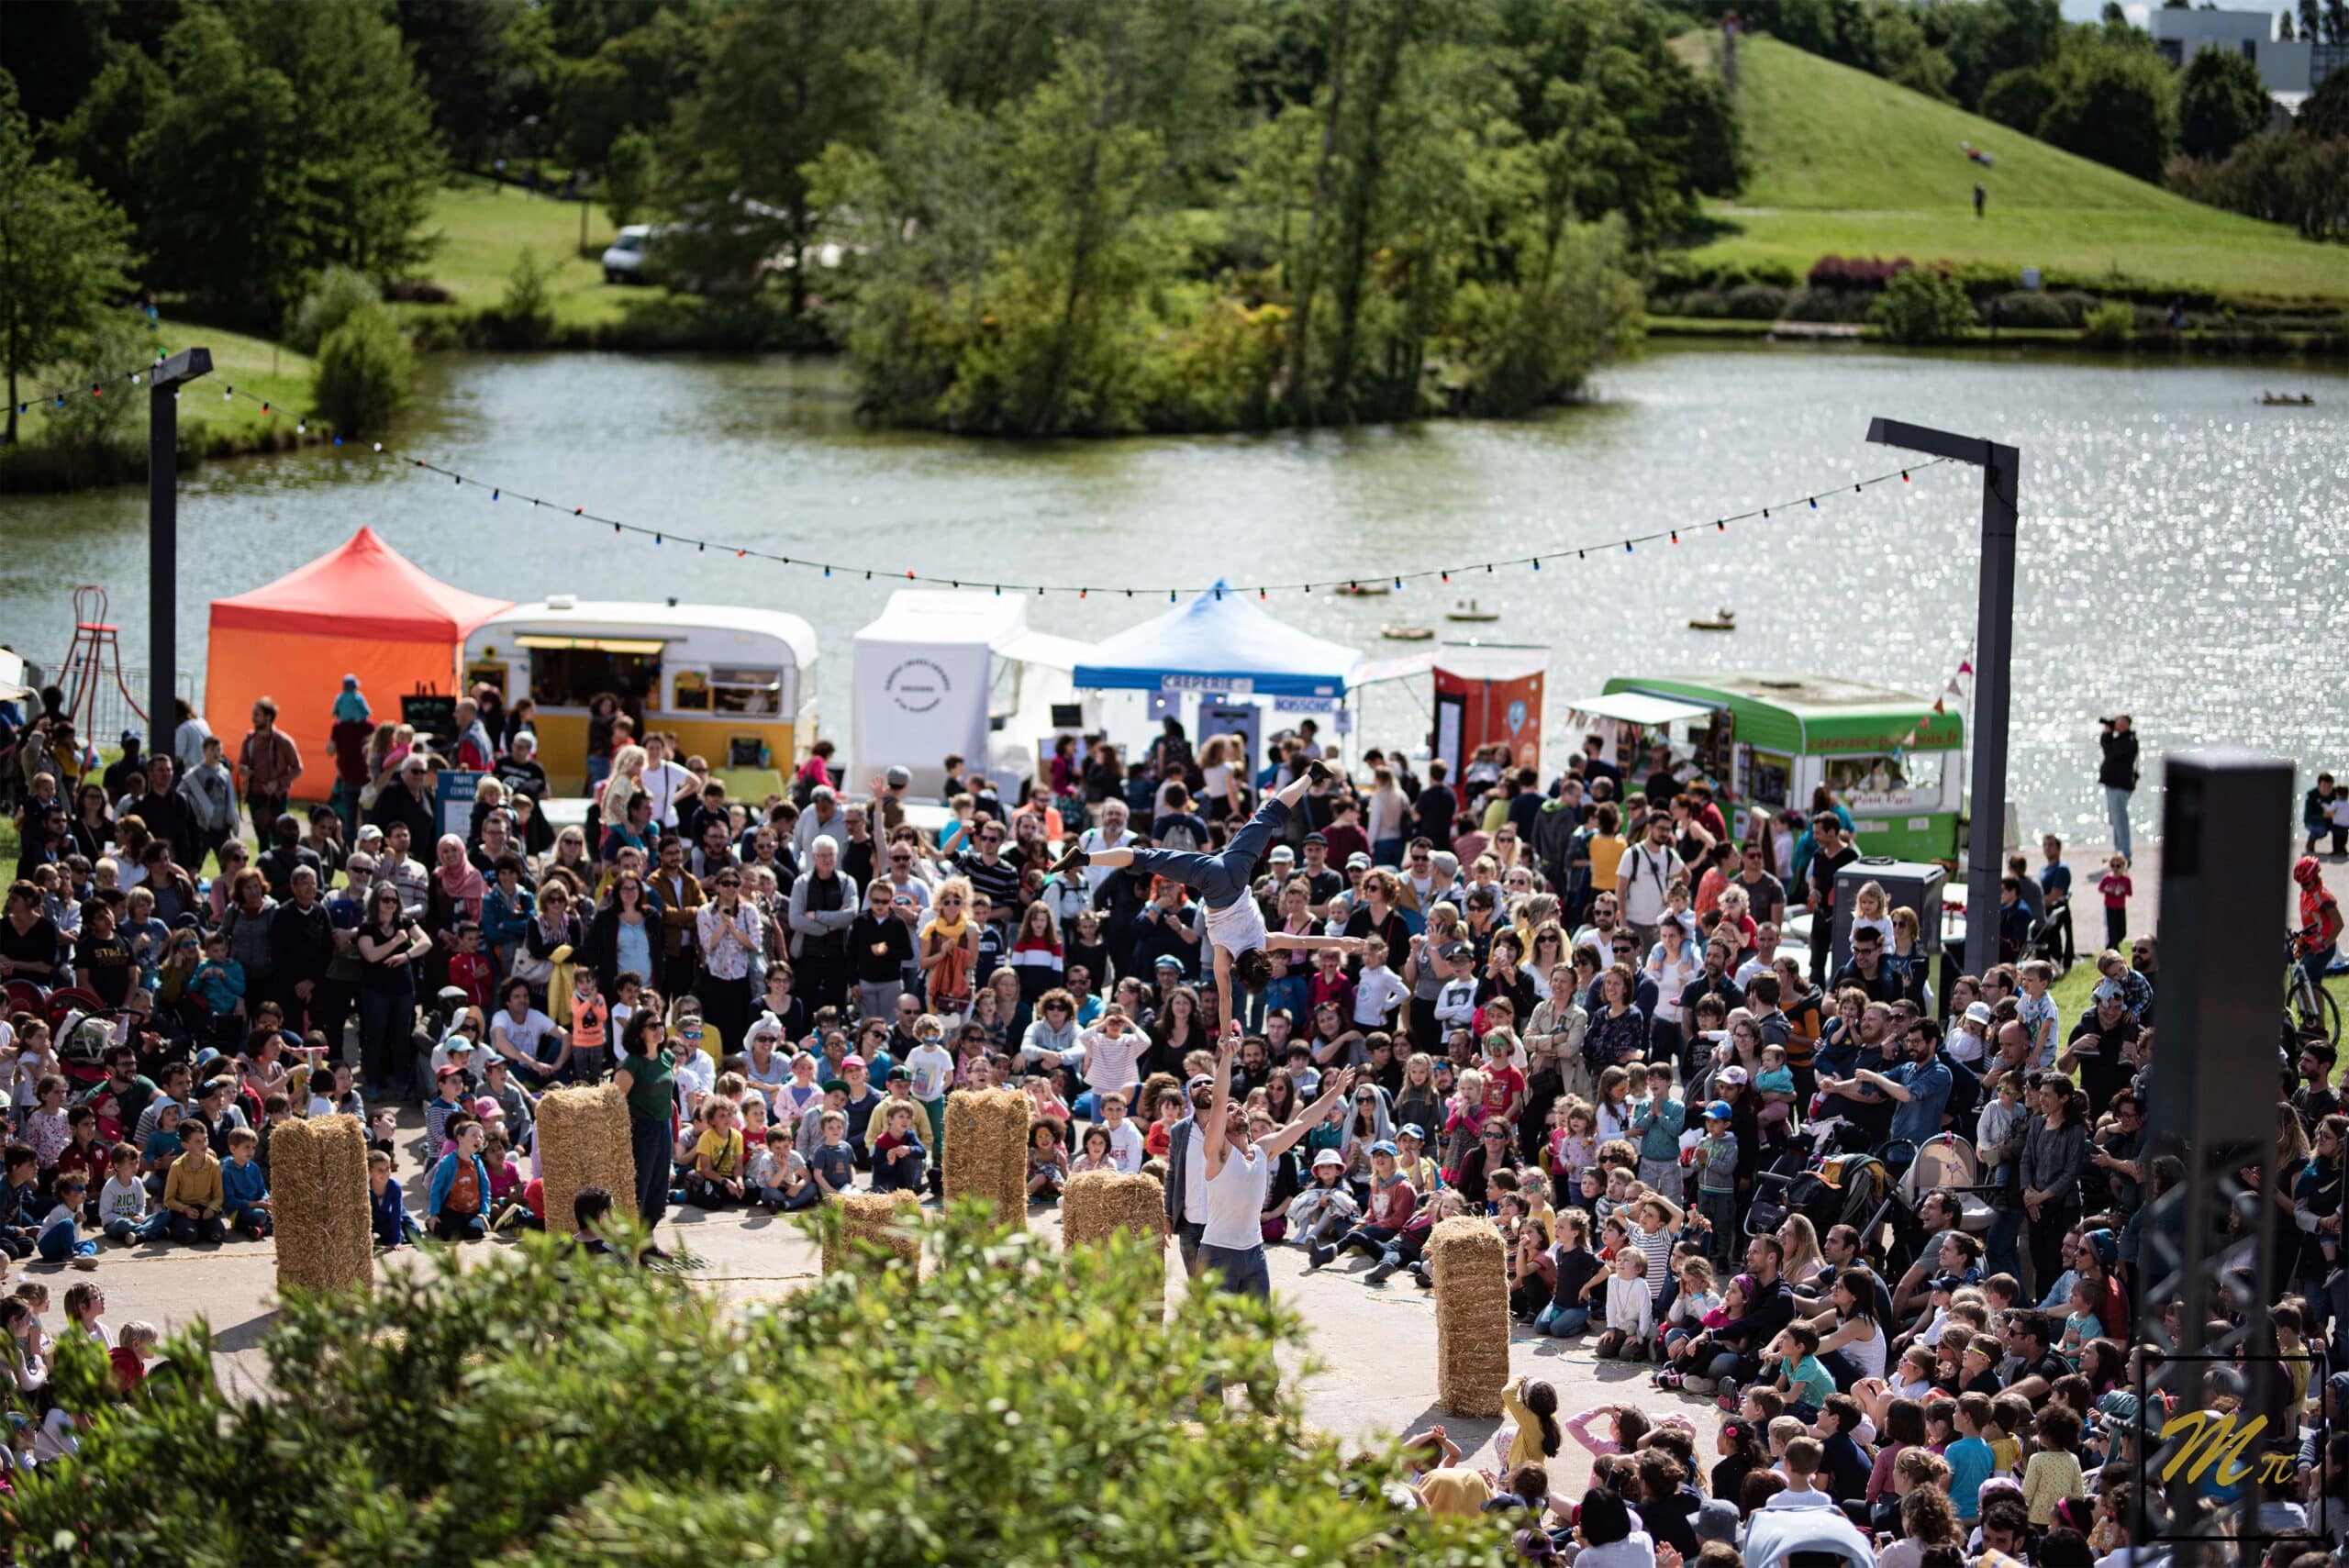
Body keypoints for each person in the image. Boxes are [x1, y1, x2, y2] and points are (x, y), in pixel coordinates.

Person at [1050, 765, 1373, 1035]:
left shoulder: (1264, 940)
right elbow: (1226, 1000)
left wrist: (1343, 943)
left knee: (1271, 814)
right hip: (1214, 883)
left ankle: (1310, 775)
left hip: (1237, 870)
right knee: (1147, 858)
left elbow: (1304, 942)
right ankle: (1084, 858)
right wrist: (1226, 1036)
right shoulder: (1225, 955)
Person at [612, 1011, 675, 1255]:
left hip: (663, 1128)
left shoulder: (667, 1057)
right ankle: (629, 1246)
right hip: (642, 1130)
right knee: (640, 1186)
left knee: (660, 1187)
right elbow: (616, 1103)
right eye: (652, 1026)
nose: (659, 1028)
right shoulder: (632, 1064)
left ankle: (648, 1242)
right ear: (640, 1032)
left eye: (661, 1024)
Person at [2097, 715, 2137, 862]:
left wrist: (2107, 735)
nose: (2116, 724)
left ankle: (2125, 854)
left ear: (2127, 724)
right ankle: (2118, 851)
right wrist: (2107, 735)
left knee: (2120, 820)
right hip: (2113, 785)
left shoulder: (2128, 741)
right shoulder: (2120, 739)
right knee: (2115, 820)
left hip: (2120, 786)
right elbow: (2108, 750)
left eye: (2120, 721)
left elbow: (2110, 752)